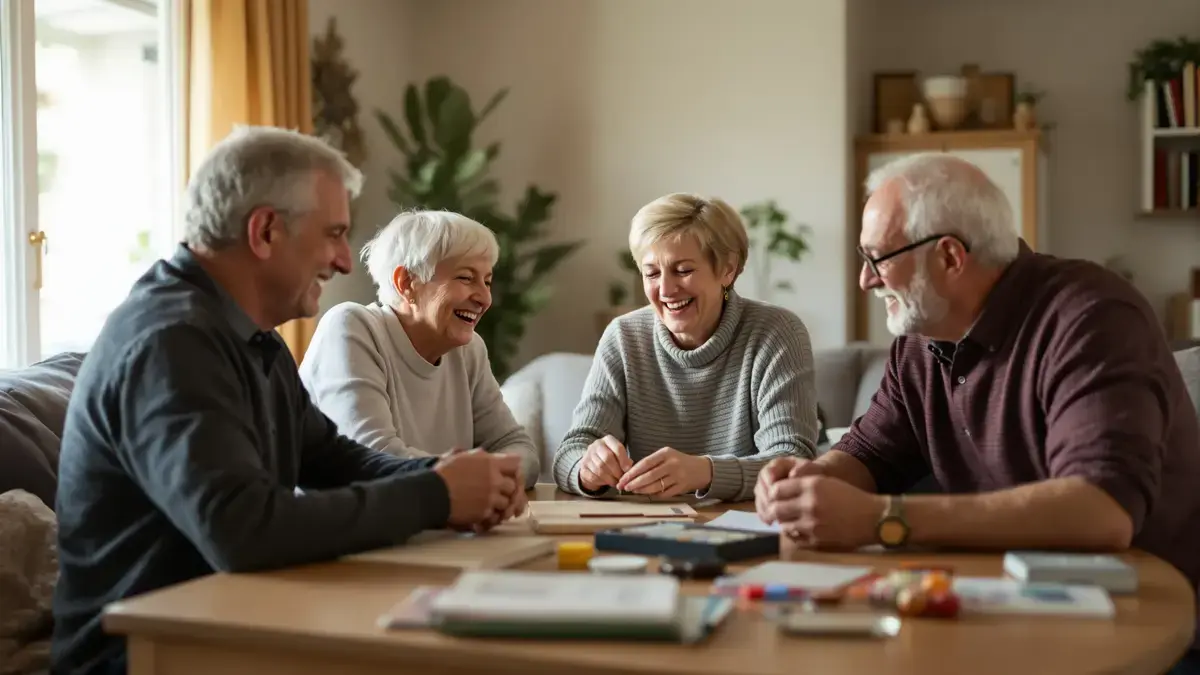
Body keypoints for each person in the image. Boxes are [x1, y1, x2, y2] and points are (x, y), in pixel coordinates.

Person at [50, 126, 526, 675]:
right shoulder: (170, 341)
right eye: (334, 234)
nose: (346, 261)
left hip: (228, 624)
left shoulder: (252, 337)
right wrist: (436, 494)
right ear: (266, 231)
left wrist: (446, 476)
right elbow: (243, 529)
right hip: (142, 655)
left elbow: (335, 461)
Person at [754, 153, 1200, 673]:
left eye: (878, 258)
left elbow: (1101, 510)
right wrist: (809, 483)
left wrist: (882, 520)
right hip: (1011, 610)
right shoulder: (922, 340)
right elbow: (870, 452)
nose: (865, 280)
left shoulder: (1090, 317)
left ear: (949, 257)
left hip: (1145, 629)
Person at [552, 193, 820, 501]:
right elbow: (569, 454)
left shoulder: (776, 332)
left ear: (728, 270)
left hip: (749, 526)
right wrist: (587, 470)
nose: (665, 290)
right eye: (652, 273)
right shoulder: (623, 337)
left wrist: (704, 472)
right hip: (645, 527)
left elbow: (792, 461)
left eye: (683, 270)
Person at [299, 210, 540, 487]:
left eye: (487, 281)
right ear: (407, 283)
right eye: (466, 278)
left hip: (436, 524)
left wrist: (486, 481)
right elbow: (373, 459)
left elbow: (517, 447)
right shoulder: (352, 328)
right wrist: (474, 481)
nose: (485, 298)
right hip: (346, 528)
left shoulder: (469, 350)